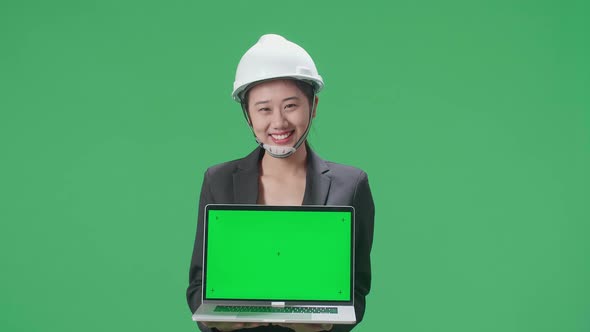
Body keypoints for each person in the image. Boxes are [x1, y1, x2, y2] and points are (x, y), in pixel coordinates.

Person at [186, 34, 375, 332]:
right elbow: (199, 286)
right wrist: (222, 322)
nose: (279, 122)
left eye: (290, 106)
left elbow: (357, 291)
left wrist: (322, 326)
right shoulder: (218, 180)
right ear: (247, 115)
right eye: (264, 109)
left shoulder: (350, 184)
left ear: (313, 106)